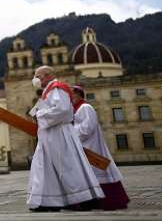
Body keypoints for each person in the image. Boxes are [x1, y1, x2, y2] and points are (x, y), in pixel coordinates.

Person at [27, 66, 104, 212]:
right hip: (49, 135)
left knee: (66, 167)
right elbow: (43, 109)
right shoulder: (48, 91)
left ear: (48, 75)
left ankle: (84, 200)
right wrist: (37, 113)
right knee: (45, 168)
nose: (35, 79)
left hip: (58, 134)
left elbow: (62, 110)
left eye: (38, 76)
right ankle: (48, 201)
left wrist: (40, 115)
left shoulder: (57, 88)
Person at [72, 85, 130, 210]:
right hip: (81, 146)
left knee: (97, 173)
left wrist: (70, 133)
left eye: (72, 94)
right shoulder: (75, 109)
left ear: (78, 94)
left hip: (91, 146)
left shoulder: (85, 107)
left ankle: (108, 202)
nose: (70, 98)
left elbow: (87, 128)